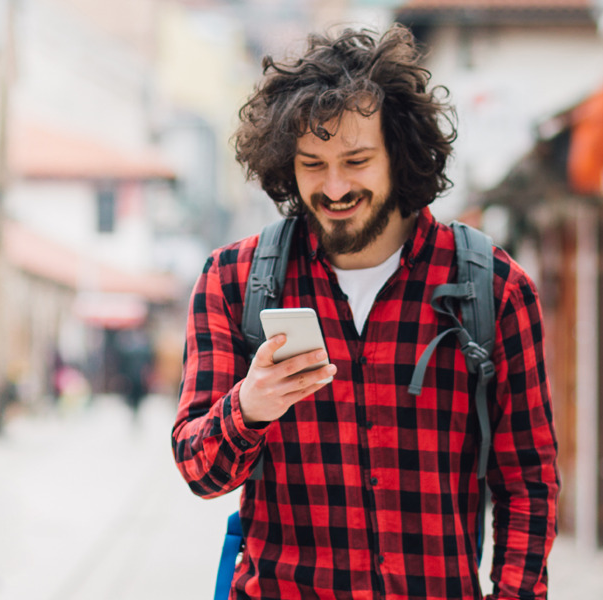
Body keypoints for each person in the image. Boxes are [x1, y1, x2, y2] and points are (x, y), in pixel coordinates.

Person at [171, 26, 558, 600]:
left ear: (399, 155)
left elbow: (528, 483)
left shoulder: (493, 289)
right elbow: (199, 471)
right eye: (312, 164)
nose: (334, 186)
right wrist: (248, 409)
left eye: (356, 160)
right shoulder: (233, 281)